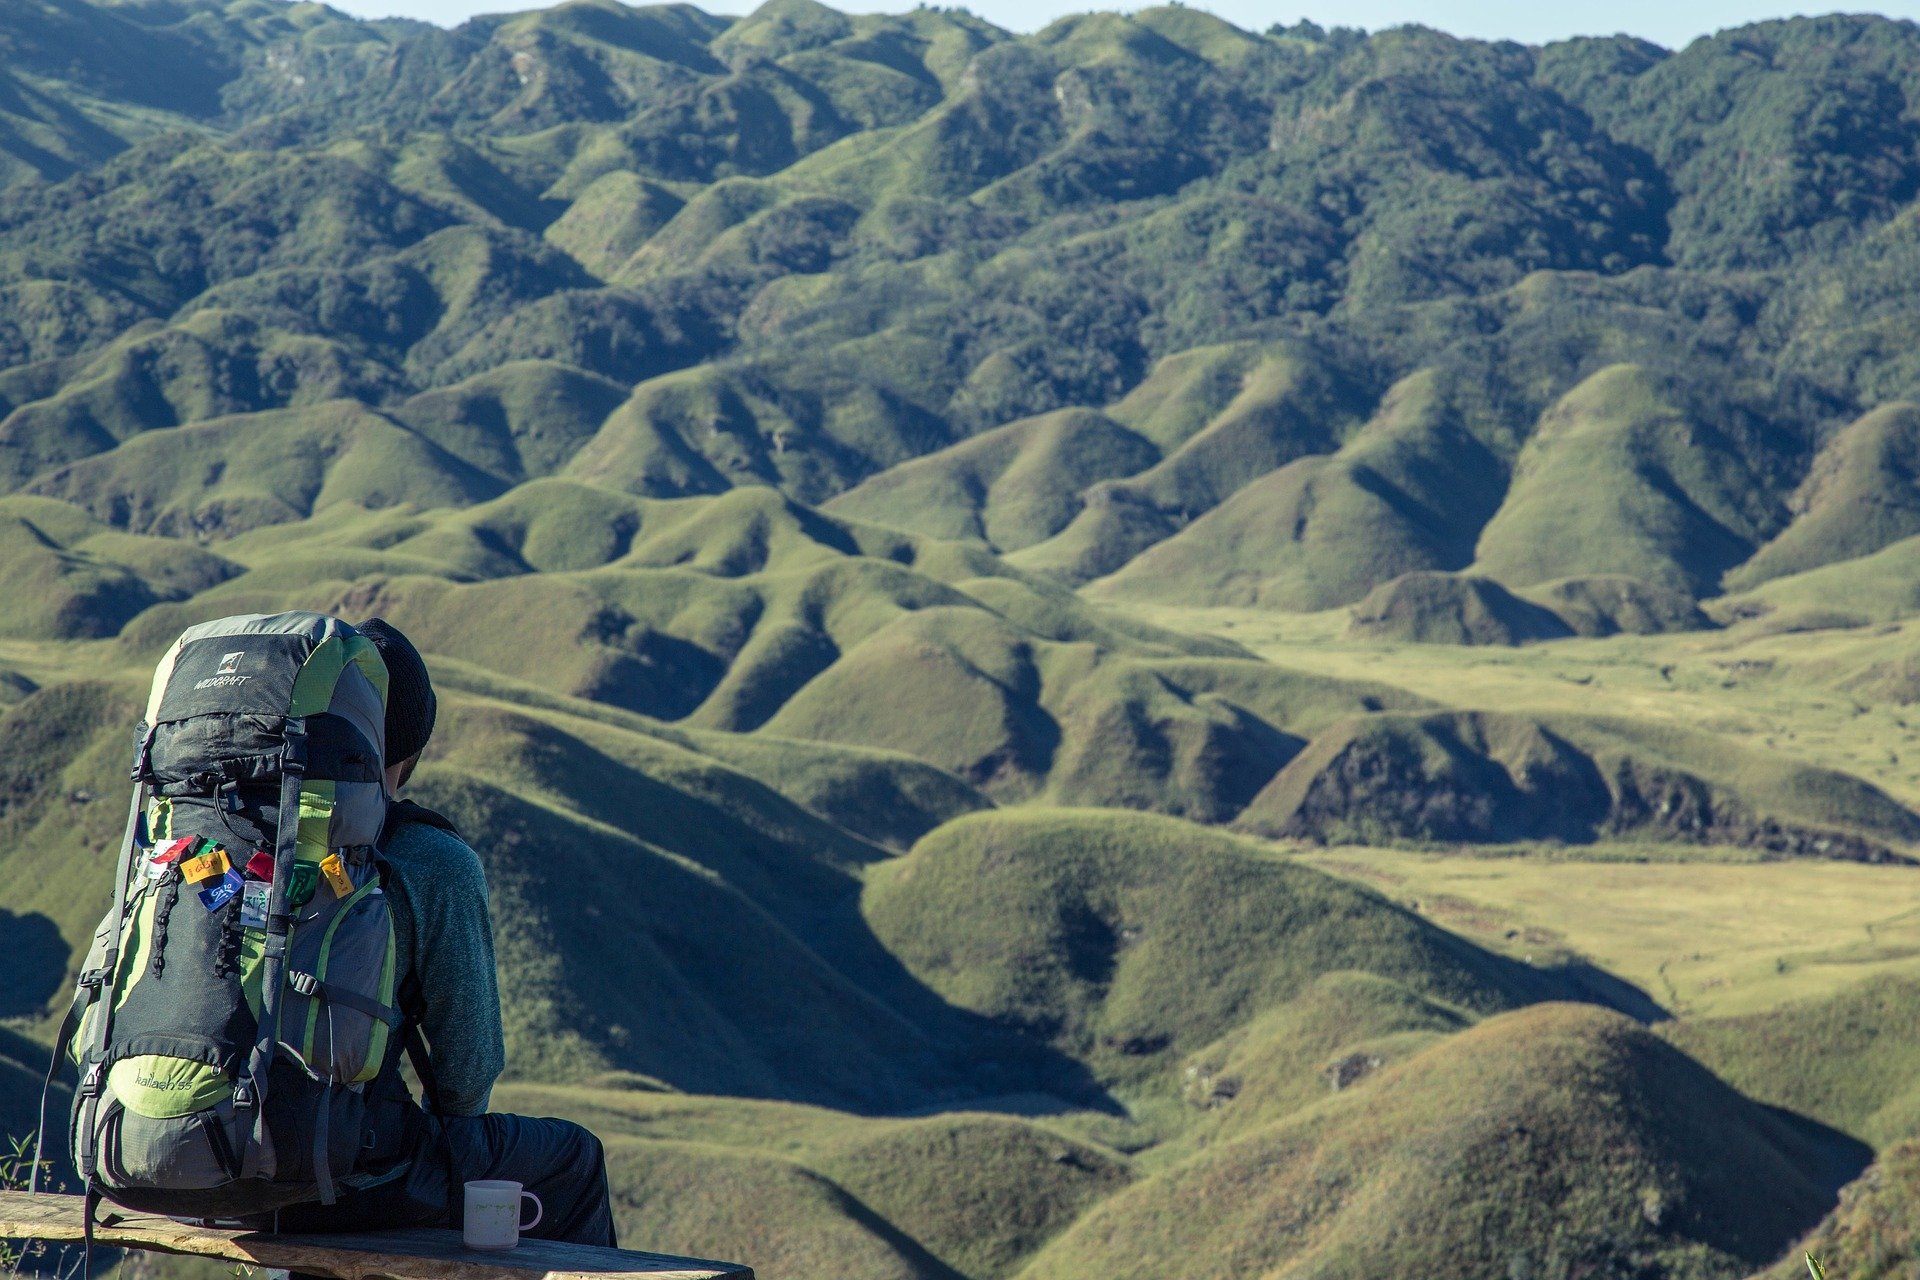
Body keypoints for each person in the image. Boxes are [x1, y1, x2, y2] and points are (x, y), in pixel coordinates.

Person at [270, 618, 617, 1247]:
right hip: (342, 1176)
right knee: (573, 1159)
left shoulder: (236, 832)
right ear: (414, 742)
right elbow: (466, 1077)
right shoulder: (429, 858)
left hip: (181, 1153)